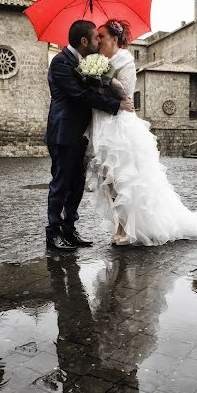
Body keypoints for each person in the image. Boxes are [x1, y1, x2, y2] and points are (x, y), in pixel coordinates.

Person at [86, 19, 197, 246]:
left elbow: (125, 91)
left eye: (101, 36)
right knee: (107, 179)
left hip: (119, 126)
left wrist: (103, 76)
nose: (98, 40)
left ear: (114, 39)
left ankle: (125, 227)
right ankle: (119, 224)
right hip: (102, 122)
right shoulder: (97, 60)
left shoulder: (125, 61)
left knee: (122, 178)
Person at [46, 20, 134, 251]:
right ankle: (53, 233)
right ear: (84, 41)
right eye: (96, 37)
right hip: (63, 133)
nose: (99, 41)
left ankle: (69, 230)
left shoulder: (81, 61)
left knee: (76, 185)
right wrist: (116, 105)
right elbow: (79, 95)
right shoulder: (60, 62)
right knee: (60, 184)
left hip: (82, 134)